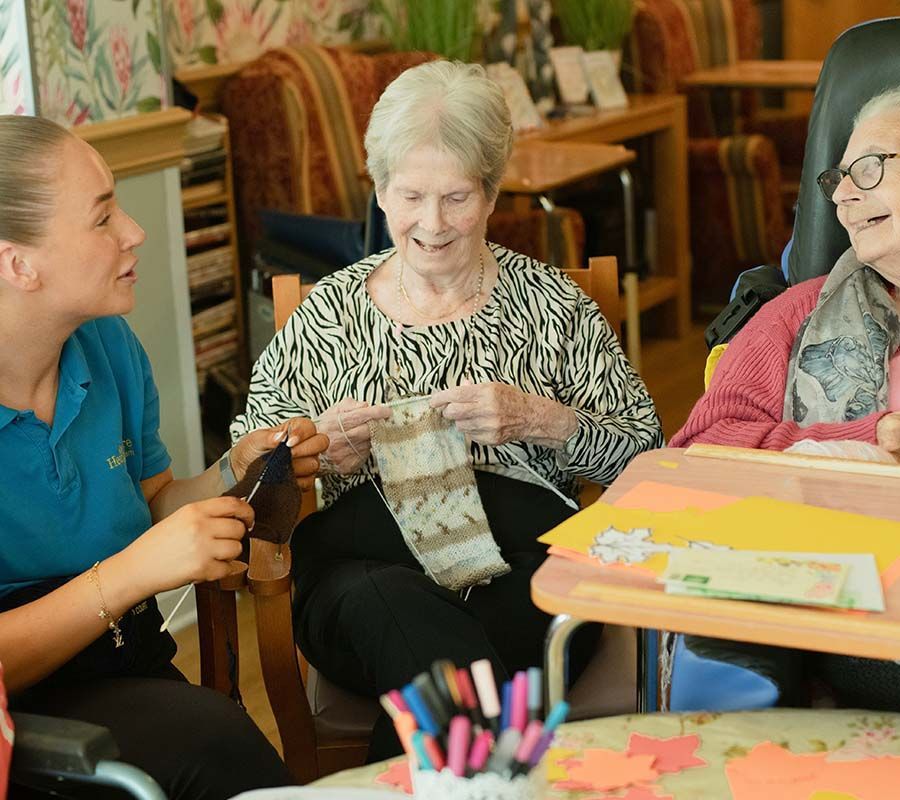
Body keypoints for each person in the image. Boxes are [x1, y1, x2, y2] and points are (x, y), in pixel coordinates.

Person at [232, 60, 663, 759]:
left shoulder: (553, 308)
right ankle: (479, 753)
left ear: (493, 193)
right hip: (361, 580)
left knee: (437, 661)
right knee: (389, 606)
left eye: (456, 198)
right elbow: (250, 486)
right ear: (378, 190)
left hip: (528, 575)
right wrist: (308, 450)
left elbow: (648, 460)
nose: (431, 225)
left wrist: (538, 419)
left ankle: (413, 762)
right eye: (410, 197)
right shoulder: (326, 317)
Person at [0, 114, 329, 799]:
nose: (134, 231)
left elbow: (149, 499)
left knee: (214, 741)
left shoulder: (110, 346)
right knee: (215, 746)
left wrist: (231, 474)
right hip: (23, 715)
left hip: (132, 662)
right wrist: (128, 575)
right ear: (18, 264)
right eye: (101, 218)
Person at [670, 87, 900, 709]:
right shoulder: (794, 315)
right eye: (839, 177)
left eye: (871, 167)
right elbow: (700, 451)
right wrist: (868, 439)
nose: (845, 195)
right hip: (846, 608)